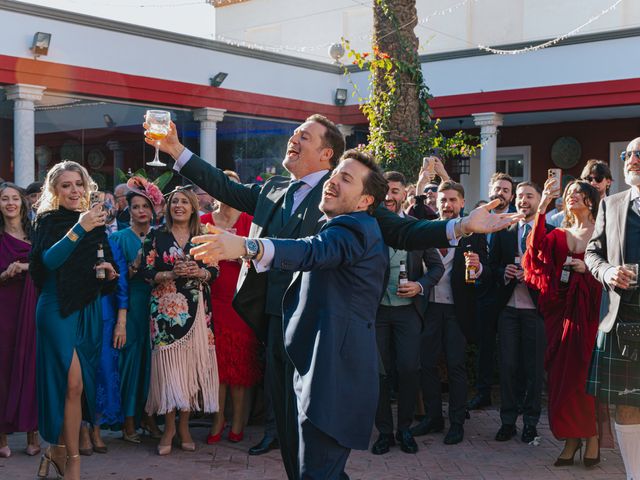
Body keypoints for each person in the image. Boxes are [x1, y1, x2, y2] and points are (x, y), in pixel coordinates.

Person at [145, 114, 520, 479]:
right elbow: (224, 188)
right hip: (274, 320)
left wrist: (462, 225)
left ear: (327, 154)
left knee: (317, 427)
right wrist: (177, 149)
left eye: (304, 136)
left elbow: (401, 232)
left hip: (320, 332)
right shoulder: (275, 188)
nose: (293, 139)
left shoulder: (348, 201)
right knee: (289, 425)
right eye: (295, 133)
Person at [192, 149, 389, 479]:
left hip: (335, 378)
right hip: (317, 372)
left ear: (364, 201)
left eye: (346, 178)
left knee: (316, 474)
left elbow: (313, 250)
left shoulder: (354, 229)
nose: (333, 182)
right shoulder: (342, 225)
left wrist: (248, 247)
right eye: (336, 173)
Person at [30, 161, 118, 480]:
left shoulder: (96, 224)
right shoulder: (47, 221)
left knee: (77, 388)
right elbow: (48, 262)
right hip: (55, 309)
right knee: (72, 382)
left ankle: (56, 450)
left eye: (78, 184)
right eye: (66, 185)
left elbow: (103, 271)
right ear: (55, 190)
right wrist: (80, 226)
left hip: (87, 310)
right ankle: (73, 464)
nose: (74, 190)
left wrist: (107, 272)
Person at [523, 178, 601, 466]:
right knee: (561, 379)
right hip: (561, 316)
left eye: (579, 193)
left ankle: (590, 436)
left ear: (591, 200)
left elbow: (616, 268)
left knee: (584, 378)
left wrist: (587, 269)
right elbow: (534, 256)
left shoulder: (603, 232)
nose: (573, 197)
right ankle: (571, 439)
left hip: (594, 315)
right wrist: (542, 205)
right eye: (569, 193)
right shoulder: (558, 234)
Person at [139, 186, 219, 456]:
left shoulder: (204, 235)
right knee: (169, 371)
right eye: (175, 201)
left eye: (185, 201)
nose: (179, 206)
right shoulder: (156, 235)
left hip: (197, 311)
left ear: (194, 207)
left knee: (190, 369)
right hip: (164, 312)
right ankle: (169, 428)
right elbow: (145, 271)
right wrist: (170, 273)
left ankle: (185, 426)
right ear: (168, 207)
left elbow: (214, 270)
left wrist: (201, 271)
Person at [371, 171, 444, 456]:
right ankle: (384, 433)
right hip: (377, 312)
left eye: (395, 191)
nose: (389, 196)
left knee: (409, 370)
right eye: (385, 191)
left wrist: (420, 285)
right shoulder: (370, 226)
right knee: (379, 373)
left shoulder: (416, 227)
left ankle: (404, 429)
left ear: (405, 194)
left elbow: (436, 268)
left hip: (408, 313)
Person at [411, 181, 489, 445]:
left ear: (462, 203)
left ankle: (456, 422)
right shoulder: (428, 230)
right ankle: (433, 417)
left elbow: (485, 271)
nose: (447, 205)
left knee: (456, 366)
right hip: (429, 306)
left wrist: (478, 268)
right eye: (443, 200)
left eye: (453, 200)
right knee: (427, 364)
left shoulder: (472, 233)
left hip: (457, 309)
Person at [585, 138, 640, 478]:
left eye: (639, 154)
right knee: (627, 405)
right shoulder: (612, 203)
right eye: (627, 154)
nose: (631, 159)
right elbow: (593, 252)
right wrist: (606, 271)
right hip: (624, 322)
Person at [200, 171, 262, 445]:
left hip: (241, 300)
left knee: (239, 364)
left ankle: (238, 420)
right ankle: (217, 418)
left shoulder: (251, 222)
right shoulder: (203, 222)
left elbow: (262, 260)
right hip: (211, 298)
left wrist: (237, 252)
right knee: (216, 365)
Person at [490, 181, 552, 444]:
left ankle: (530, 423)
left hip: (535, 311)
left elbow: (554, 270)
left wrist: (533, 276)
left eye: (529, 196)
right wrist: (503, 272)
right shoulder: (505, 230)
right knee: (507, 367)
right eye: (520, 196)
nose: (523, 200)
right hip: (508, 310)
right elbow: (491, 266)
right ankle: (507, 422)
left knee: (533, 369)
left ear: (539, 200)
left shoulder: (550, 232)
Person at [107, 176, 165, 443]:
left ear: (154, 210)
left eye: (146, 206)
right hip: (129, 307)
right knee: (130, 363)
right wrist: (134, 266)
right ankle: (128, 421)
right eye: (136, 206)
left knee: (152, 365)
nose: (141, 211)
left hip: (157, 306)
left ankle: (149, 417)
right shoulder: (117, 238)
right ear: (127, 209)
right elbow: (115, 280)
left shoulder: (161, 237)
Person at [469, 172, 516, 411]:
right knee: (484, 347)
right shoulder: (478, 220)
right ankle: (483, 392)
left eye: (505, 190)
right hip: (482, 293)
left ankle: (512, 397)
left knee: (508, 349)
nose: (500, 193)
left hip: (508, 294)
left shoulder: (514, 224)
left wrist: (501, 273)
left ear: (511, 195)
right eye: (497, 188)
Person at [0, 183, 39, 458]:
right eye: (4, 199)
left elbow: (48, 267)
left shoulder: (36, 235)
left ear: (23, 203)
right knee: (2, 367)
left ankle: (32, 432)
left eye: (15, 198)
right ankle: (1, 437)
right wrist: (3, 276)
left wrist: (26, 267)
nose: (10, 203)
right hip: (4, 308)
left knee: (31, 365)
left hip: (32, 307)